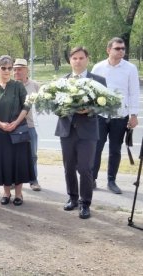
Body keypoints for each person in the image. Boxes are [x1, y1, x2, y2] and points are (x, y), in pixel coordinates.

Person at [55, 47, 106, 219]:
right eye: (74, 58)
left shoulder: (98, 80)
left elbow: (103, 105)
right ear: (70, 60)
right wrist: (63, 108)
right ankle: (72, 198)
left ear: (87, 59)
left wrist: (89, 109)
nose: (78, 61)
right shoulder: (62, 81)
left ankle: (85, 203)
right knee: (68, 167)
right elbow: (54, 106)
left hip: (88, 132)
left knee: (85, 168)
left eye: (81, 58)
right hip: (67, 130)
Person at [91, 37, 140, 194]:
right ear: (108, 50)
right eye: (117, 48)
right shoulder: (98, 68)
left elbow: (134, 92)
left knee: (115, 150)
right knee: (96, 148)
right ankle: (91, 179)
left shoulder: (130, 68)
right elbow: (92, 91)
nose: (121, 51)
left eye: (123, 49)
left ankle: (111, 181)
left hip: (120, 116)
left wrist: (134, 115)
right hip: (100, 115)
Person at [0, 55, 34, 207]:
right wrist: (0, 124)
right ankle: (6, 193)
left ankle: (18, 194)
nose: (7, 71)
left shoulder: (18, 86)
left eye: (10, 68)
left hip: (17, 131)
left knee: (18, 163)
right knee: (4, 163)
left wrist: (15, 122)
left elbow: (26, 106)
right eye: (4, 68)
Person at [13, 58, 42, 191]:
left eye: (19, 69)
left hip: (29, 125)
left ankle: (33, 180)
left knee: (32, 155)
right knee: (14, 155)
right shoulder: (10, 85)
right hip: (13, 126)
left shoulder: (35, 85)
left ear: (26, 70)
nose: (16, 72)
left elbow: (43, 102)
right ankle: (14, 180)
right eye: (15, 69)